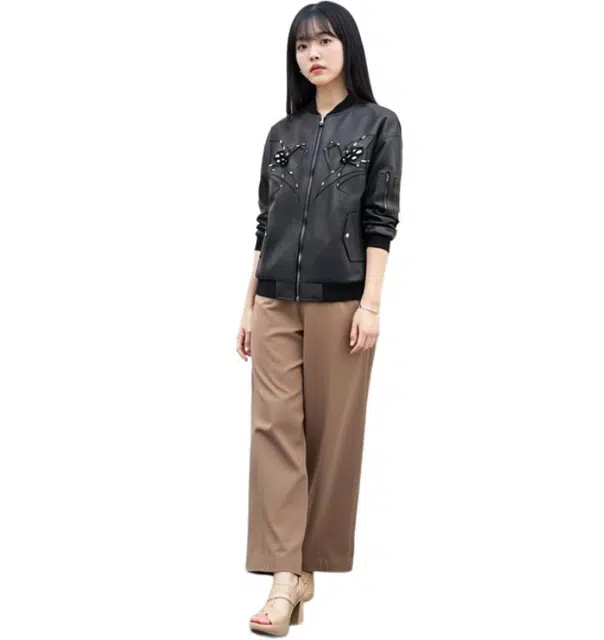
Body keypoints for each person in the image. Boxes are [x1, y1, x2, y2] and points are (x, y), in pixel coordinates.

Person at [236, 1, 403, 635]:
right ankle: (284, 576)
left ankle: (310, 563)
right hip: (276, 297)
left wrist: (371, 303)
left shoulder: (379, 124)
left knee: (331, 438)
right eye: (302, 45)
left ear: (347, 47)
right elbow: (266, 223)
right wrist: (248, 302)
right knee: (274, 431)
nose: (313, 54)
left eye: (325, 41)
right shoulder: (282, 132)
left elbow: (381, 220)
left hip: (342, 300)